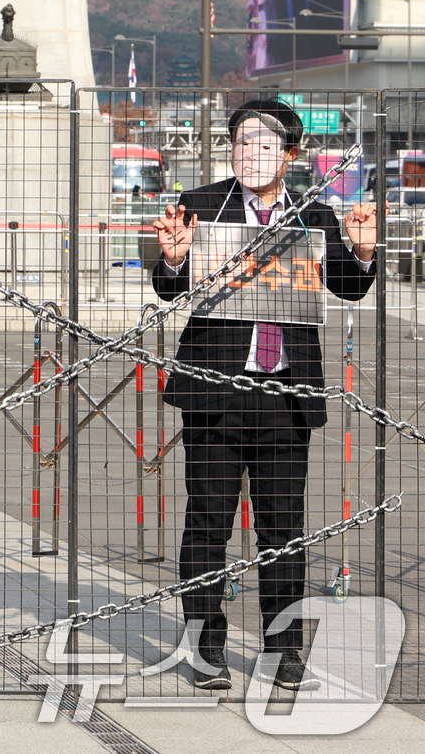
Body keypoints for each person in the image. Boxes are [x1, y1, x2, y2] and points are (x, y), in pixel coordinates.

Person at [150, 99, 378, 692]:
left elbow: (350, 290)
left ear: (290, 155)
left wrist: (361, 250)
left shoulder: (315, 214)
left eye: (265, 144)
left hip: (286, 395)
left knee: (283, 529)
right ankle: (206, 648)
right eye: (241, 142)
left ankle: (284, 651)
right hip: (214, 392)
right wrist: (173, 260)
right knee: (208, 525)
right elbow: (172, 286)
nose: (251, 154)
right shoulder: (201, 205)